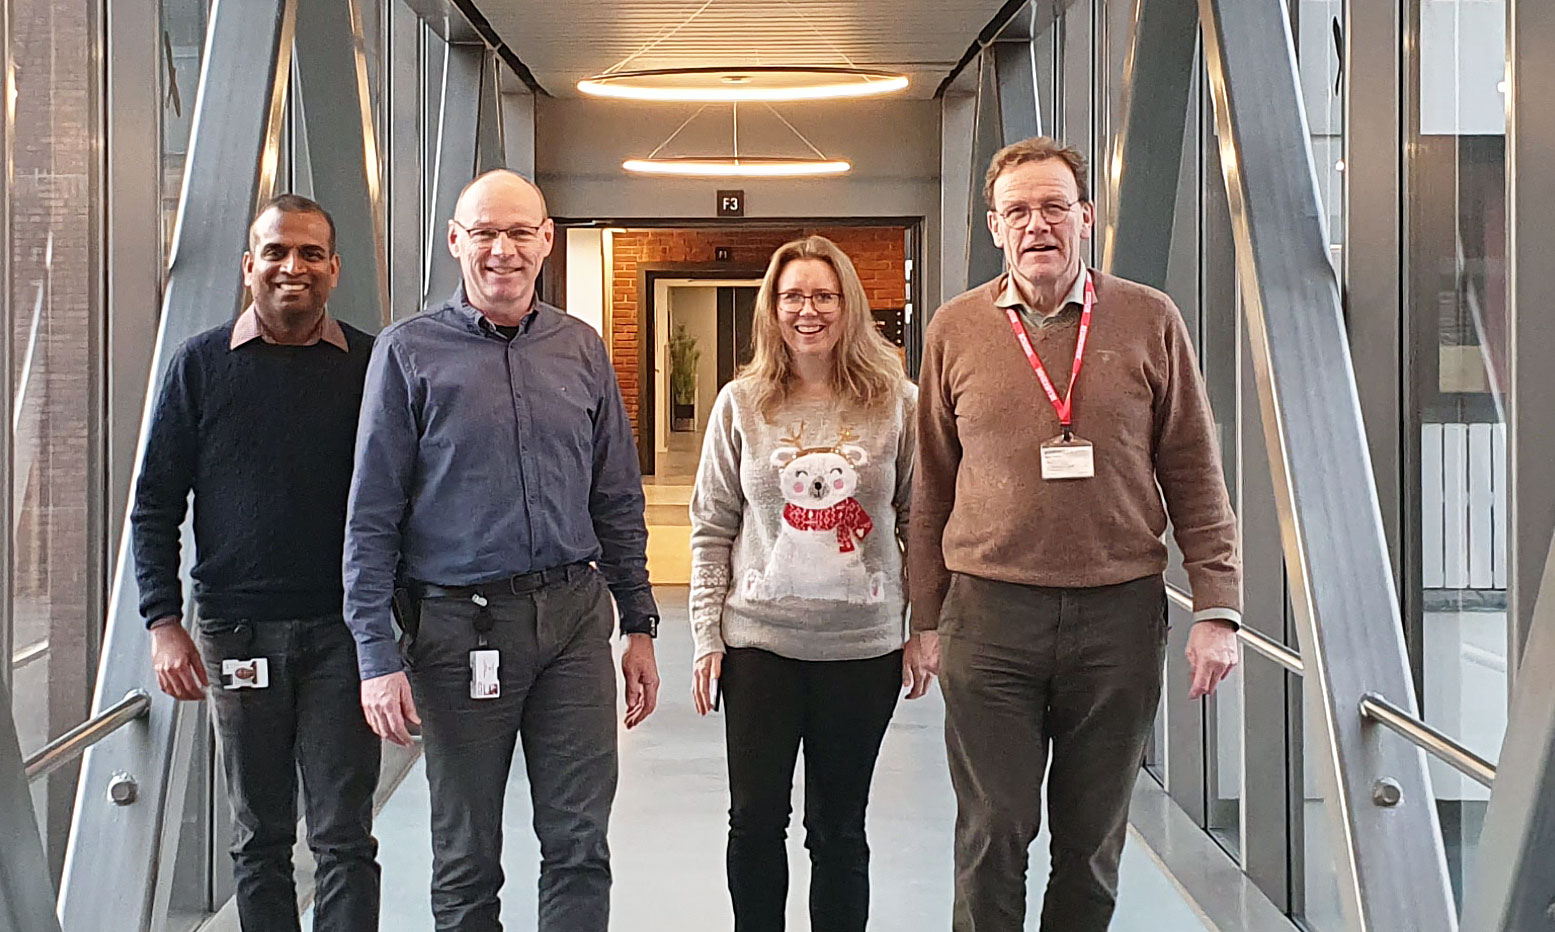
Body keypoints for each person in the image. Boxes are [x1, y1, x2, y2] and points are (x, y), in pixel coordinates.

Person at [910, 137, 1243, 931]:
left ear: (1085, 218)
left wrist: (1217, 607)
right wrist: (923, 620)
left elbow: (1195, 470)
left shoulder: (1147, 319)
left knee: (1090, 843)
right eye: (1017, 210)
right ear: (995, 226)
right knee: (993, 831)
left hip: (1117, 617)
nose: (1037, 225)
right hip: (989, 618)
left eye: (1053, 206)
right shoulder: (955, 329)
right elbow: (929, 484)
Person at [343, 169, 660, 932]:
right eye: (485, 232)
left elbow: (615, 496)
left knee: (579, 843)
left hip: (574, 623)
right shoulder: (407, 353)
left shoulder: (580, 348)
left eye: (520, 232)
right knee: (464, 853)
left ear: (546, 241)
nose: (503, 250)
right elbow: (371, 515)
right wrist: (375, 654)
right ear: (455, 241)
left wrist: (641, 625)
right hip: (457, 632)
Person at [133, 194, 381, 932]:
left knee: (343, 833)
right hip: (236, 633)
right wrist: (161, 622)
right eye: (275, 252)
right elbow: (154, 505)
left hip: (345, 631)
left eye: (309, 253)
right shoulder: (200, 366)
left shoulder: (372, 366)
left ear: (333, 269)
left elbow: (408, 498)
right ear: (249, 267)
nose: (291, 267)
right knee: (261, 834)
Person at [689, 235, 933, 932]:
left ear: (847, 305)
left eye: (822, 295)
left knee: (839, 828)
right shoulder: (742, 404)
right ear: (771, 307)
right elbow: (712, 527)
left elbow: (920, 522)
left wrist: (923, 629)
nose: (807, 310)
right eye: (792, 295)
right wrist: (707, 637)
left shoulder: (898, 404)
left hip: (863, 652)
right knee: (755, 820)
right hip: (760, 647)